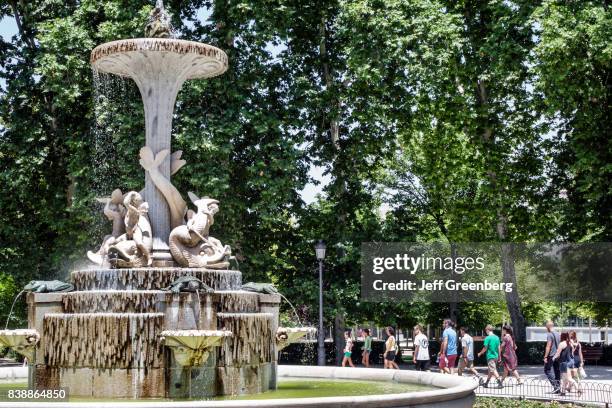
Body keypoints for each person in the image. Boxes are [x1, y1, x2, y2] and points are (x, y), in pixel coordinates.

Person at [543, 320, 561, 393]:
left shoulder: (549, 334)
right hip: (557, 355)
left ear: (548, 326)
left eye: (546, 326)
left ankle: (555, 385)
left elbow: (548, 346)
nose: (545, 328)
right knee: (557, 371)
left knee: (547, 370)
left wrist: (545, 356)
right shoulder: (558, 333)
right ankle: (558, 388)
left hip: (551, 355)